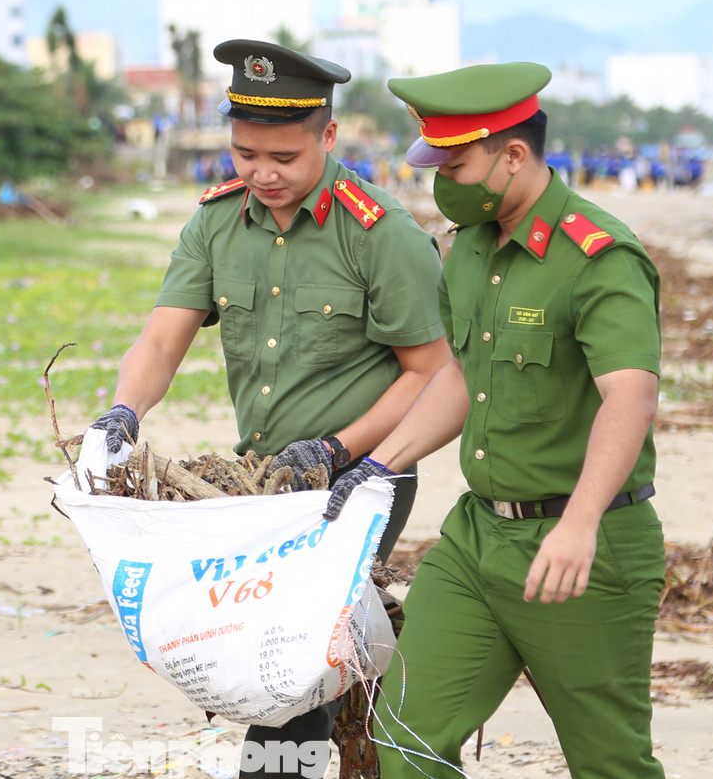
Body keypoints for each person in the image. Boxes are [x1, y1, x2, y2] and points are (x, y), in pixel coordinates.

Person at [75, 39, 453, 779]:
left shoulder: (379, 233)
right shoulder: (217, 222)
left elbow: (431, 372)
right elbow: (162, 337)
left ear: (328, 137)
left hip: (366, 474)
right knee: (277, 658)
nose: (263, 174)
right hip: (262, 483)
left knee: (292, 665)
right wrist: (123, 412)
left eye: (284, 156)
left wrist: (338, 449)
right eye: (246, 154)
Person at [328, 62, 666, 779]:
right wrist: (378, 464)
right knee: (403, 734)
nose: (439, 179)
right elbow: (460, 371)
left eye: (455, 163)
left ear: (513, 155)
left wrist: (579, 522)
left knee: (610, 762)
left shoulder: (598, 257)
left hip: (586, 549)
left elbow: (629, 396)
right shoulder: (470, 245)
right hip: (477, 540)